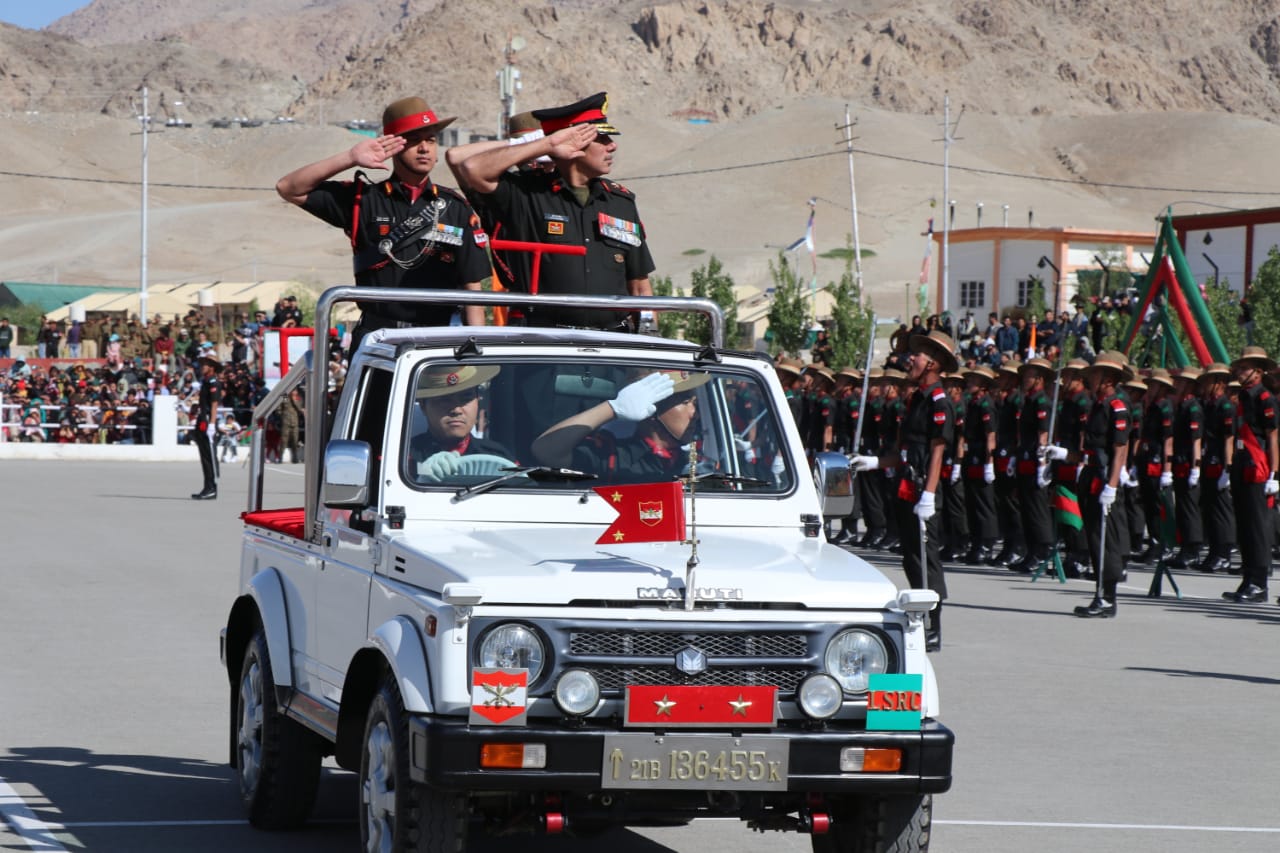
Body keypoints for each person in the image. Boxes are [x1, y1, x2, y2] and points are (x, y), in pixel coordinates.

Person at [275, 96, 491, 352]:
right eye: (413, 140)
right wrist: (350, 157)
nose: (424, 148)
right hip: (377, 339)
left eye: (430, 140)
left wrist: (476, 347)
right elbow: (289, 188)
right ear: (393, 146)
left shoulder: (456, 208)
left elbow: (471, 288)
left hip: (435, 340)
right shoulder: (363, 199)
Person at [453, 92, 655, 331]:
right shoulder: (527, 196)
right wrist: (547, 143)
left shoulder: (620, 201)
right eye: (601, 138)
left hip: (611, 345)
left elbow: (640, 286)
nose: (612, 145)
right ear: (574, 144)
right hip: (548, 344)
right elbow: (469, 165)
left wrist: (649, 336)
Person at [852, 330, 958, 652]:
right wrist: (875, 462)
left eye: (919, 355)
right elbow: (906, 450)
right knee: (911, 557)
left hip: (923, 488)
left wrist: (929, 493)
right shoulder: (915, 398)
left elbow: (937, 450)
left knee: (927, 559)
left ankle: (935, 627)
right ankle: (921, 617)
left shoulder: (939, 401)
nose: (911, 359)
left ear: (933, 364)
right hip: (906, 484)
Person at [531, 369, 711, 483]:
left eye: (695, 402)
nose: (696, 413)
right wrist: (612, 408)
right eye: (686, 402)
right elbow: (546, 451)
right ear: (653, 408)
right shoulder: (610, 455)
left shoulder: (696, 461)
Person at [1073, 350, 1133, 618]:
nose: (1091, 378)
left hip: (1105, 476)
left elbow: (1120, 448)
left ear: (1108, 378)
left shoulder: (1117, 406)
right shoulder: (1097, 404)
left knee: (1104, 540)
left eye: (1096, 374)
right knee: (1094, 537)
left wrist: (1112, 485)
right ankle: (1099, 593)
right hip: (1092, 472)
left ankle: (1108, 598)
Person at [1223, 347, 1279, 603]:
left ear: (1258, 371)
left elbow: (1273, 437)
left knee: (1257, 527)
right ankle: (1248, 578)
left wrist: (1274, 474)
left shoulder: (1264, 397)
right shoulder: (1243, 397)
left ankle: (1259, 583)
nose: (1239, 371)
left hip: (1259, 467)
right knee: (1244, 525)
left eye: (1245, 368)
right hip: (1243, 463)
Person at [409, 364, 515, 483]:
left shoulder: (498, 456)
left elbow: (524, 484)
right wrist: (424, 473)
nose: (457, 410)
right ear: (423, 406)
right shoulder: (406, 457)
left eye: (466, 398)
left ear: (477, 401)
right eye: (444, 399)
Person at [1196, 364, 1236, 573]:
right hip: (1208, 458)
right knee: (1210, 508)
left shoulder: (1225, 406)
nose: (1205, 385)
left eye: (1209, 381)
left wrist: (1227, 468)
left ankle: (1224, 553)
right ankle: (1214, 551)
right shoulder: (1209, 405)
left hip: (1220, 462)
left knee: (1221, 510)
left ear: (1220, 383)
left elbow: (1229, 437)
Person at [191, 354, 222, 500]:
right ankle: (207, 487)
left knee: (209, 456)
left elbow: (214, 404)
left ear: (211, 367)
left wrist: (212, 425)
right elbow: (204, 403)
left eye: (205, 364)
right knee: (204, 456)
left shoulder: (214, 382)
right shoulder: (206, 382)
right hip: (202, 419)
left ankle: (212, 488)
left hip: (208, 420)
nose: (202, 366)